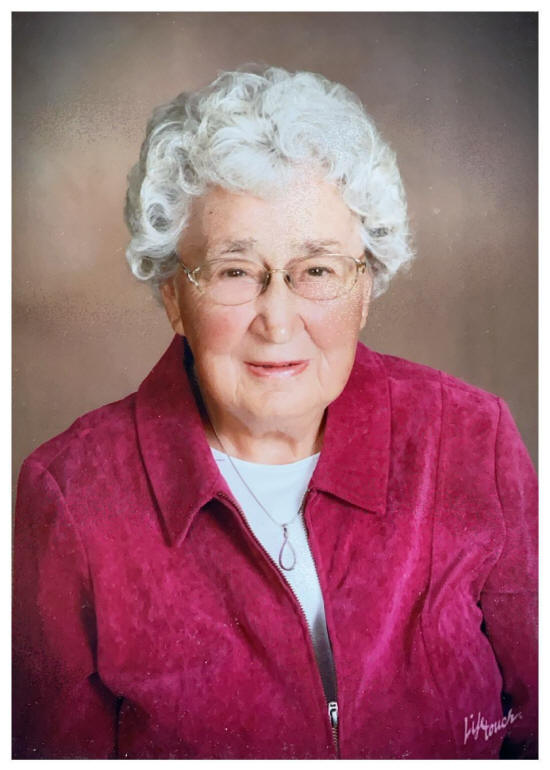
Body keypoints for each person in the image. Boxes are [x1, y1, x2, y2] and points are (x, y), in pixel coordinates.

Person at [13, 66, 537, 760]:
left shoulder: (470, 439)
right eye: (234, 270)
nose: (278, 320)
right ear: (173, 295)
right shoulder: (73, 496)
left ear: (365, 288)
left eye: (317, 270)